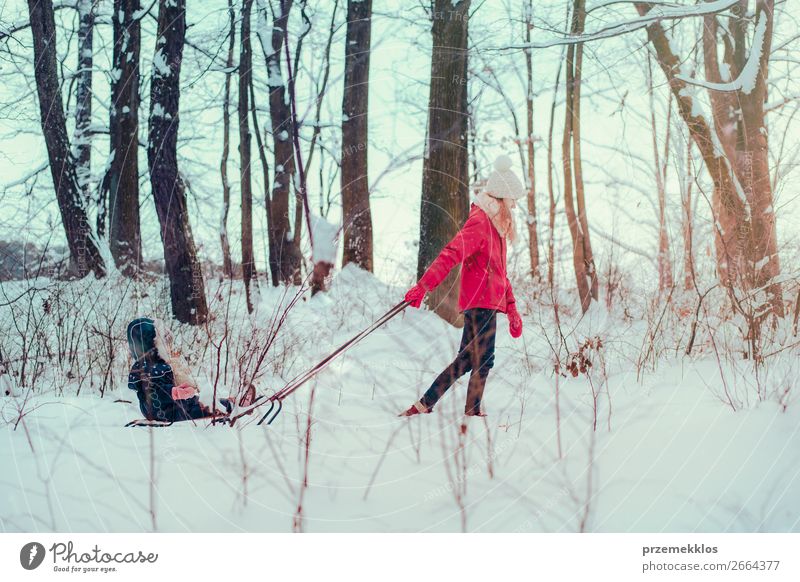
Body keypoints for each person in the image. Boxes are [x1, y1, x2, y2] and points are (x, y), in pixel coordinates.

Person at [400, 155, 524, 417]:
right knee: (484, 359)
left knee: (467, 359)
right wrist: (424, 286)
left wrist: (511, 309)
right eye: (512, 201)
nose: (514, 207)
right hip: (480, 303)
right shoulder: (481, 223)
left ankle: (424, 405)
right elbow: (452, 252)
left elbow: (501, 275)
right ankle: (472, 412)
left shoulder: (497, 229)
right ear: (500, 199)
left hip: (487, 302)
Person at [126, 317, 217, 422]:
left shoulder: (157, 365)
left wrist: (179, 390)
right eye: (164, 344)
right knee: (199, 408)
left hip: (168, 407)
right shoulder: (147, 368)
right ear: (152, 345)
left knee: (196, 402)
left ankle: (215, 403)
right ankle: (220, 406)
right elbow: (153, 393)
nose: (167, 348)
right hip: (163, 411)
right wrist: (174, 392)